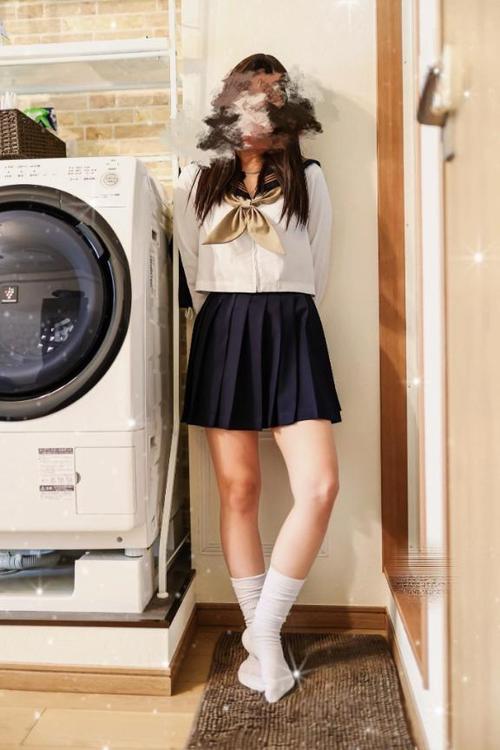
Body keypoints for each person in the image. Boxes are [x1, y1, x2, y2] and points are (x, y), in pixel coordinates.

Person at [173, 53, 342, 703]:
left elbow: (318, 270)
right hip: (223, 328)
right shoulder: (197, 179)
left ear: (288, 113)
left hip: (292, 326)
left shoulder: (309, 180)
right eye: (248, 97)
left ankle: (263, 630)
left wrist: (279, 311)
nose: (258, 112)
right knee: (239, 490)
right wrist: (230, 319)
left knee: (320, 486)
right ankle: (262, 642)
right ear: (227, 104)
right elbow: (193, 269)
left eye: (272, 100)